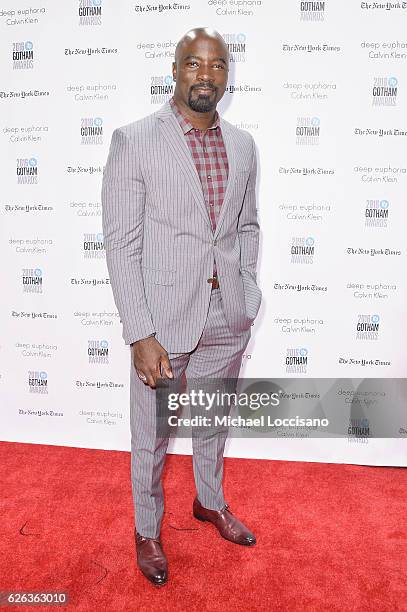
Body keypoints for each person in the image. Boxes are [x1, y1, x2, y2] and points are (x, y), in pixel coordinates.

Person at [101, 27, 262, 586]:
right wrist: (138, 331)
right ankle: (147, 529)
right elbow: (122, 242)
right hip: (164, 322)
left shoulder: (242, 145)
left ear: (227, 77)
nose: (206, 74)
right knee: (153, 434)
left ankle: (209, 501)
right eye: (194, 63)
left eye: (217, 65)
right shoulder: (135, 139)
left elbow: (246, 227)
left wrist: (249, 291)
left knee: (214, 422)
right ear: (175, 69)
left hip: (226, 317)